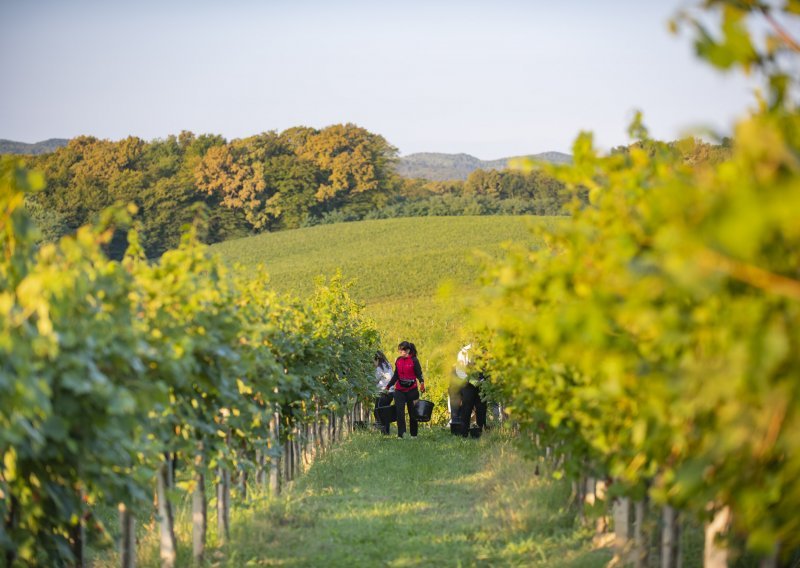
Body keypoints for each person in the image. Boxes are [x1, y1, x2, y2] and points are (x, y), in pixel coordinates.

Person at [384, 341, 425, 439]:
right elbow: (396, 375)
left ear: (408, 350)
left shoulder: (414, 360)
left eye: (402, 350)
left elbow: (419, 373)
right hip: (399, 390)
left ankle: (413, 435)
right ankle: (401, 434)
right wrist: (388, 386)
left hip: (412, 390)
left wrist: (422, 383)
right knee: (399, 412)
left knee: (413, 412)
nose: (400, 352)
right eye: (399, 350)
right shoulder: (398, 360)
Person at [456, 343, 488, 438]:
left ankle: (480, 433)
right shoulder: (464, 352)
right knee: (466, 408)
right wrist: (470, 380)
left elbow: (489, 368)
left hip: (482, 384)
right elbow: (459, 370)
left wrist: (485, 380)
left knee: (482, 408)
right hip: (467, 384)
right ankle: (464, 433)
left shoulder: (486, 351)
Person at [373, 350, 394, 435]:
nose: (373, 364)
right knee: (385, 413)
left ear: (377, 359)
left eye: (373, 361)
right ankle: (386, 432)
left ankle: (383, 431)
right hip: (391, 392)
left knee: (378, 411)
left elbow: (374, 381)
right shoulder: (388, 365)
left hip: (383, 392)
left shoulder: (379, 369)